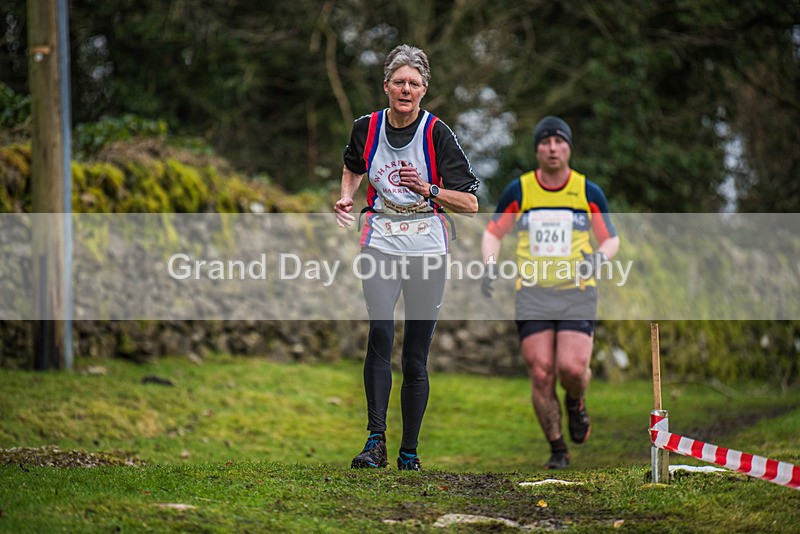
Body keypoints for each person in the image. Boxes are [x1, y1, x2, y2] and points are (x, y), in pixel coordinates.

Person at [334, 44, 479, 471]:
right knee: (379, 332)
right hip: (380, 239)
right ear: (386, 86)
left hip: (427, 247)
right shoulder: (367, 127)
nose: (406, 88)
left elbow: (470, 203)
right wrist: (347, 197)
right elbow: (353, 164)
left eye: (414, 83)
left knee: (415, 355)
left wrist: (429, 190)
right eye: (399, 81)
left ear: (424, 90)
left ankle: (409, 452)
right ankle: (375, 442)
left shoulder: (437, 134)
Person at [481, 116, 619, 469]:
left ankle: (576, 401)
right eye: (545, 142)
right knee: (541, 372)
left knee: (571, 369)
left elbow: (611, 239)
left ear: (569, 147)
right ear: (537, 149)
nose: (552, 148)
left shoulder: (588, 191)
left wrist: (597, 261)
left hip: (576, 292)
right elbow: (493, 232)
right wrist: (489, 265)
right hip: (532, 293)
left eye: (559, 141)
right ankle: (558, 449)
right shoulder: (520, 190)